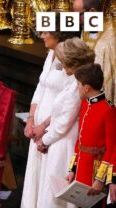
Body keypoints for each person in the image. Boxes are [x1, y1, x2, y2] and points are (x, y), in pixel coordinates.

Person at [21, 17, 79, 207]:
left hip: (55, 132)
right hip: (37, 129)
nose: (42, 35)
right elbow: (41, 87)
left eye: (46, 32)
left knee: (50, 186)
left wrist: (44, 126)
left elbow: (68, 104)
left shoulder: (71, 59)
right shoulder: (50, 54)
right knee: (36, 180)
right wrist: (30, 119)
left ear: (59, 34)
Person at [34, 37, 96, 207]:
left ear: (72, 63)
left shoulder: (77, 88)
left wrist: (44, 140)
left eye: (63, 61)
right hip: (58, 140)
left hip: (64, 144)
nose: (60, 64)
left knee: (54, 194)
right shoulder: (74, 81)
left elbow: (63, 124)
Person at [66, 62, 116, 207]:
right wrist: (72, 169)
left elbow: (112, 148)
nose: (77, 88)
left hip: (95, 172)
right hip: (81, 169)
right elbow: (79, 141)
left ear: (86, 88)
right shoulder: (85, 104)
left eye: (79, 85)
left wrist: (100, 179)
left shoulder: (108, 109)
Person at [73, 0, 116, 103]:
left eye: (78, 15)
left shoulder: (112, 34)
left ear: (92, 11)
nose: (76, 20)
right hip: (85, 91)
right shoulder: (86, 30)